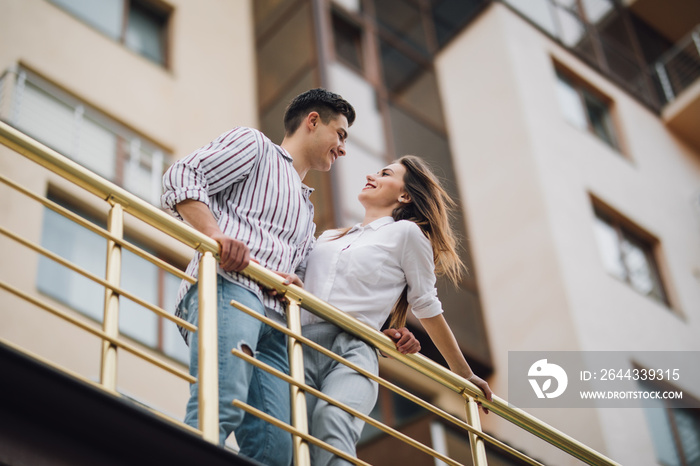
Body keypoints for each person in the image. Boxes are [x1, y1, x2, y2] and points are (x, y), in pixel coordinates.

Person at [160, 88, 356, 466]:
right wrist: (216, 236)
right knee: (222, 402)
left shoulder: (307, 211)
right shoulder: (256, 146)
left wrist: (296, 285)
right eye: (341, 134)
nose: (343, 148)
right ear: (313, 121)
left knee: (277, 449)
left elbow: (296, 270)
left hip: (276, 326)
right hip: (230, 288)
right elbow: (182, 176)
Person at [298, 155, 493, 465]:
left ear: (404, 195)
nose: (371, 175)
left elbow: (426, 303)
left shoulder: (407, 234)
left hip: (353, 348)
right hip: (300, 342)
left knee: (333, 420)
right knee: (293, 436)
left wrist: (464, 373)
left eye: (384, 173)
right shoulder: (328, 237)